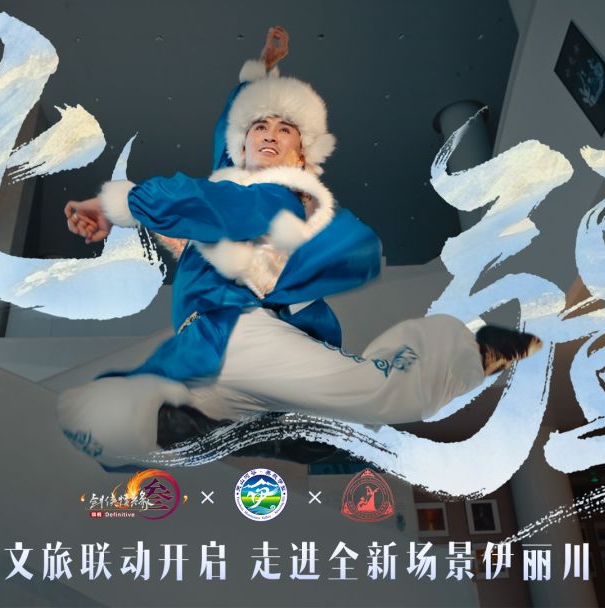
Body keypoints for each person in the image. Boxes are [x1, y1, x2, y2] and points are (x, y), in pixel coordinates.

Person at [58, 27, 541, 466]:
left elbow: (211, 201)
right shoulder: (232, 181)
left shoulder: (276, 196)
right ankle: (280, 431)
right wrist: (260, 74)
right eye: (259, 129)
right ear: (242, 145)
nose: (269, 135)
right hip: (200, 351)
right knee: (119, 421)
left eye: (283, 131)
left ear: (301, 154)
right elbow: (225, 143)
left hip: (242, 339)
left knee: (381, 391)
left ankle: (474, 346)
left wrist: (122, 204)